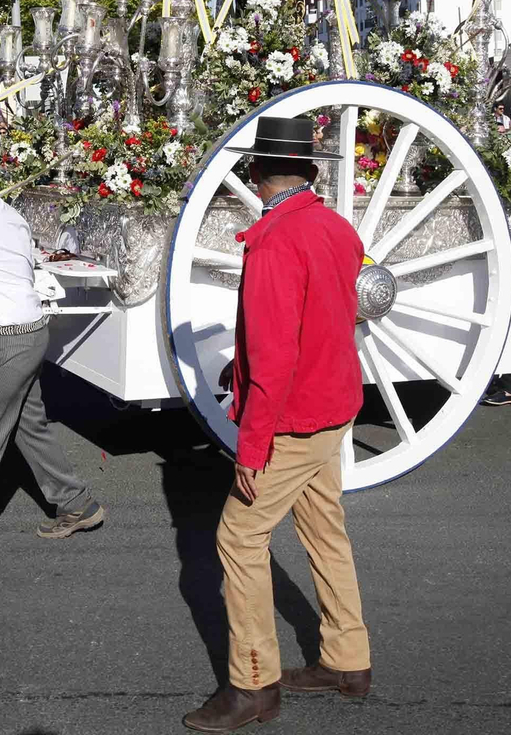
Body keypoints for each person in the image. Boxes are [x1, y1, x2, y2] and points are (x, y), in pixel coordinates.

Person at [183, 117, 372, 733]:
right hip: (335, 400)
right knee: (325, 530)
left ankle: (253, 682)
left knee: (238, 540)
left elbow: (272, 353)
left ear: (256, 175)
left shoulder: (273, 240)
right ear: (311, 172)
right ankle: (347, 659)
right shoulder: (336, 227)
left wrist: (251, 442)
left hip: (294, 413)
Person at [0, 139, 104, 566]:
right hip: (30, 333)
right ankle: (76, 504)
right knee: (29, 426)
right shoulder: (11, 217)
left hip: (1, 341)